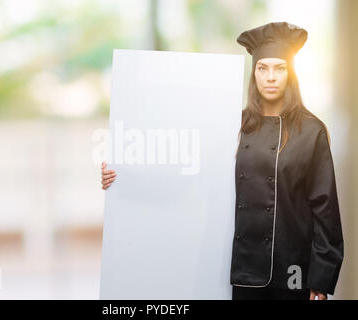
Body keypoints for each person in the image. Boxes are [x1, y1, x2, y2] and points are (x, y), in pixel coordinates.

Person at [101, 21, 344, 300]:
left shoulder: (311, 131)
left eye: (280, 68)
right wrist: (122, 177)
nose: (271, 77)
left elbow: (325, 210)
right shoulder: (234, 125)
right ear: (253, 74)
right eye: (262, 68)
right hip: (243, 267)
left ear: (291, 74)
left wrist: (320, 280)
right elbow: (185, 177)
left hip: (292, 269)